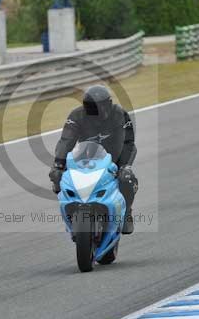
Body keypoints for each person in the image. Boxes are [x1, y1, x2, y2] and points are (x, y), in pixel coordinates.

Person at [49, 85, 138, 234]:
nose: (94, 112)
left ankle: (126, 213)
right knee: (57, 177)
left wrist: (124, 166)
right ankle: (72, 213)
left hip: (115, 159)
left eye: (97, 107)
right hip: (86, 159)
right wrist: (58, 164)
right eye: (90, 108)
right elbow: (66, 141)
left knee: (127, 178)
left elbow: (129, 143)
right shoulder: (76, 116)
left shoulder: (120, 115)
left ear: (108, 104)